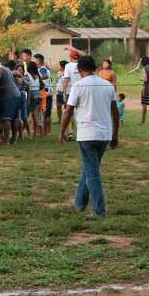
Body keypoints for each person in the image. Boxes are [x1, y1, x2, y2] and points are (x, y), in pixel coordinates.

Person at [60, 55, 119, 218]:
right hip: (104, 135)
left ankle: (99, 211)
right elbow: (115, 112)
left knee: (92, 173)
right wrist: (115, 134)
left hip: (86, 135)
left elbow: (68, 111)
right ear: (95, 68)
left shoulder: (78, 86)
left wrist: (62, 131)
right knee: (90, 169)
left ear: (79, 69)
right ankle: (79, 203)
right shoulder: (107, 85)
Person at [0, 61, 22, 145]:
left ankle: (6, 140)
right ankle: (14, 139)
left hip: (9, 96)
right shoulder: (8, 70)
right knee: (15, 118)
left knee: (7, 118)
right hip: (17, 94)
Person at [34, 54, 53, 135]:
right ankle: (48, 131)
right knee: (47, 113)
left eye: (35, 60)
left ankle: (44, 131)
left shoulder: (42, 69)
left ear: (39, 61)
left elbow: (44, 76)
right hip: (49, 92)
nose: (34, 61)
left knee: (43, 113)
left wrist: (37, 79)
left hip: (44, 93)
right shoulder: (46, 68)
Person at [27, 62, 42, 137]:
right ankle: (35, 132)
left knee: (30, 115)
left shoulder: (27, 75)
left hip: (32, 96)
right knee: (34, 115)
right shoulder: (37, 75)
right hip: (38, 96)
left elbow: (27, 86)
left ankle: (31, 132)